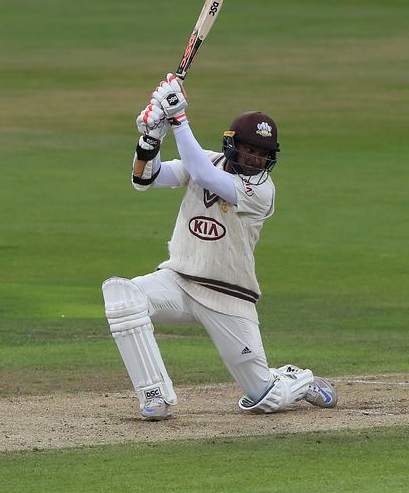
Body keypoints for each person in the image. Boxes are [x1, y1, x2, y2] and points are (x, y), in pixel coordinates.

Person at [102, 74, 337, 420]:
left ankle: (295, 379)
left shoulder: (262, 192)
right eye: (249, 150)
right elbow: (144, 178)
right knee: (123, 296)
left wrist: (178, 120)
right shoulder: (207, 160)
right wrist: (151, 136)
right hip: (179, 281)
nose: (255, 160)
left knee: (263, 398)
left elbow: (204, 174)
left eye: (262, 155)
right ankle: (154, 396)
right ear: (232, 145)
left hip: (229, 296)